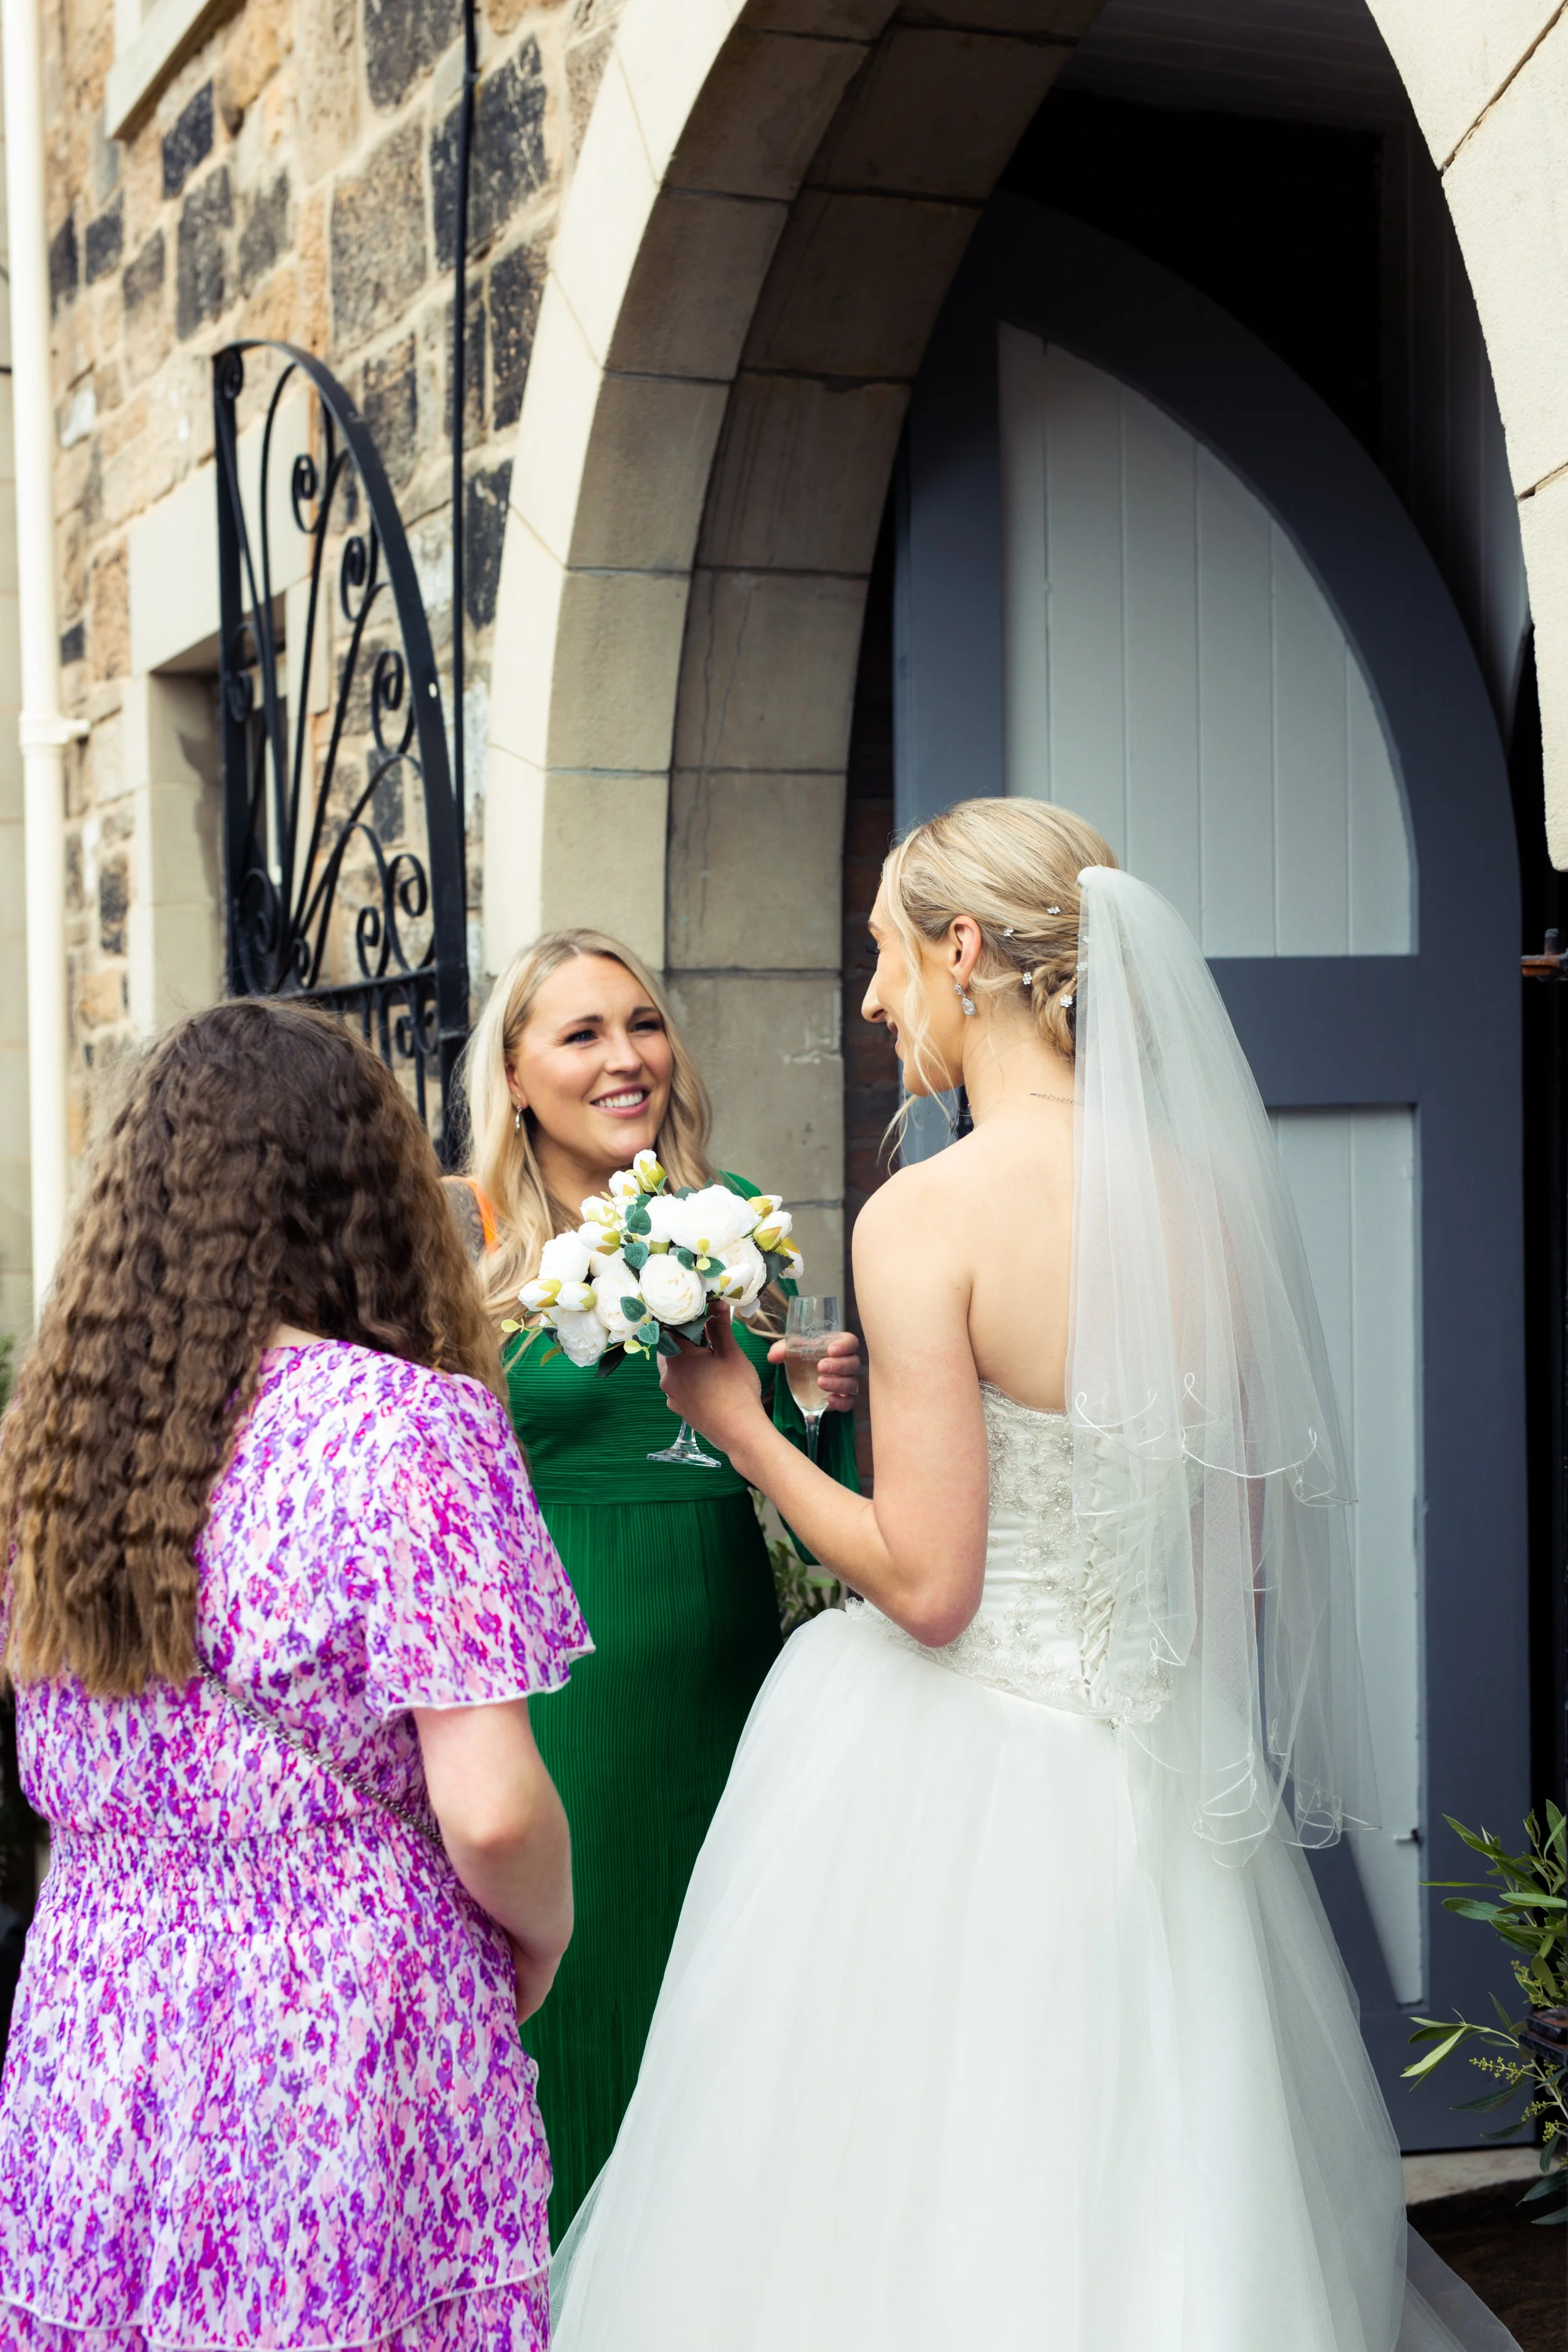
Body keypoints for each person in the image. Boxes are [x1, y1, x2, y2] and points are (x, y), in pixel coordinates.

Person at [549, 800, 1501, 2352]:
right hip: (1152, 1783)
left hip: (954, 1777)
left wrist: (736, 1423)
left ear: (965, 951)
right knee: (1157, 2215)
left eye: (883, 956)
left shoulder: (931, 1212)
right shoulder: (1198, 1203)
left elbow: (925, 1586)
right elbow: (1230, 1550)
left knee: (892, 2216)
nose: (872, 1000)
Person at [0, 1000, 590, 2352]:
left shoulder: (59, 1436)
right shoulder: (407, 1431)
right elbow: (491, 1809)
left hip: (96, 2006)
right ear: (363, 1189)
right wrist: (539, 1940)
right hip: (341, 2021)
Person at [457, 928, 861, 2237]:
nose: (626, 1056)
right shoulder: (464, 1246)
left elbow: (782, 1483)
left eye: (641, 1023)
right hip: (564, 1675)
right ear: (514, 1073)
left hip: (728, 1661)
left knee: (731, 2003)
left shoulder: (731, 1213)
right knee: (586, 2007)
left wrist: (810, 1401)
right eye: (580, 1034)